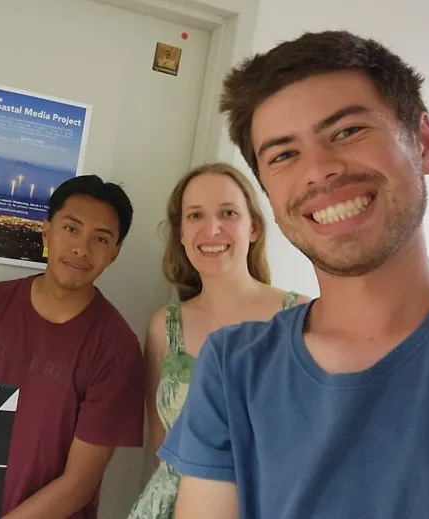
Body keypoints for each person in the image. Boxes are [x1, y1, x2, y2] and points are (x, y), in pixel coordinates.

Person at [158, 30, 429, 518]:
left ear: (424, 142)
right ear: (270, 199)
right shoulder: (235, 368)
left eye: (347, 131)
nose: (319, 171)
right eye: (283, 155)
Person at [0, 174, 145, 519]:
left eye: (100, 239)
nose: (81, 249)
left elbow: (78, 485)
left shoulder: (118, 348)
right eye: (71, 229)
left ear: (115, 253)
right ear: (46, 231)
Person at [127, 162, 306, 519]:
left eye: (228, 213)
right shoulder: (166, 327)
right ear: (180, 232)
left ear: (253, 227)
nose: (212, 229)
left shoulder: (299, 318)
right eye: (195, 216)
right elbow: (162, 447)